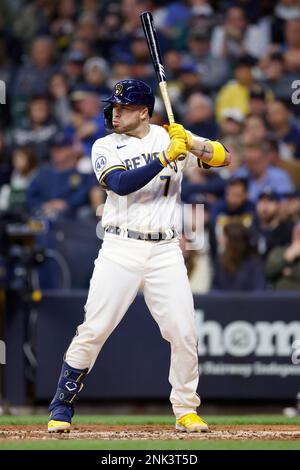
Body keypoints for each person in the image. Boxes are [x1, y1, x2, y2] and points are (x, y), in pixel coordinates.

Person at [47, 79, 230, 434]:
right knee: (94, 329)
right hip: (120, 247)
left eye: (124, 108)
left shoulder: (168, 137)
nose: (115, 113)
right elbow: (120, 184)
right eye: (114, 107)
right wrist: (166, 156)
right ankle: (62, 405)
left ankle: (186, 409)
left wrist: (193, 142)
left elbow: (223, 158)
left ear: (144, 112)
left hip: (165, 250)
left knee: (183, 331)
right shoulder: (105, 145)